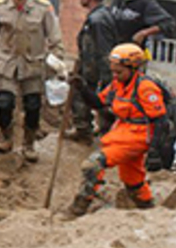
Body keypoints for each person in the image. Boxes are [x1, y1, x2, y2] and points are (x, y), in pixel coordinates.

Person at [68, 43, 167, 216]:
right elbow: (98, 103)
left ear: (133, 68)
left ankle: (78, 207)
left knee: (94, 163)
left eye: (119, 72)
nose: (115, 75)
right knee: (132, 180)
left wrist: (154, 151)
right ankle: (148, 209)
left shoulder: (146, 87)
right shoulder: (117, 84)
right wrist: (82, 88)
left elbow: (160, 120)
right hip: (123, 131)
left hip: (139, 135)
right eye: (113, 71)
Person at [0, 0, 65, 161]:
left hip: (33, 65)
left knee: (33, 106)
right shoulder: (0, 7)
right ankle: (6, 137)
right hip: (7, 64)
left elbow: (54, 37)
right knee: (4, 103)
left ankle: (29, 143)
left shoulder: (42, 8)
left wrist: (57, 59)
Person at [69, 0, 117, 142]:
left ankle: (84, 130)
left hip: (93, 68)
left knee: (82, 96)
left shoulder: (97, 20)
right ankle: (102, 131)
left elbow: (103, 49)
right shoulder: (100, 15)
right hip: (91, 66)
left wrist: (107, 74)